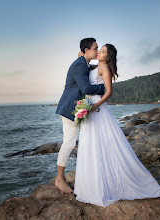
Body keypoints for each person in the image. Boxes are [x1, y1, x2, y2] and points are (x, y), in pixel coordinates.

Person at [74, 44, 160, 207]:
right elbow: (85, 66)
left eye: (102, 51)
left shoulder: (105, 70)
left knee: (102, 143)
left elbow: (109, 92)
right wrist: (82, 57)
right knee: (91, 143)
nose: (99, 52)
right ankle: (92, 182)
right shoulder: (96, 66)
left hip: (97, 108)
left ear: (108, 57)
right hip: (89, 105)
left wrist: (96, 106)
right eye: (99, 50)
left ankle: (110, 183)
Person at [55, 38, 105, 193]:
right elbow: (86, 88)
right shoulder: (79, 65)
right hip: (70, 107)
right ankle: (59, 179)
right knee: (69, 143)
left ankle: (90, 173)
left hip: (78, 108)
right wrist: (106, 88)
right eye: (95, 48)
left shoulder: (82, 63)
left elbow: (89, 68)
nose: (97, 51)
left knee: (89, 139)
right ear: (86, 50)